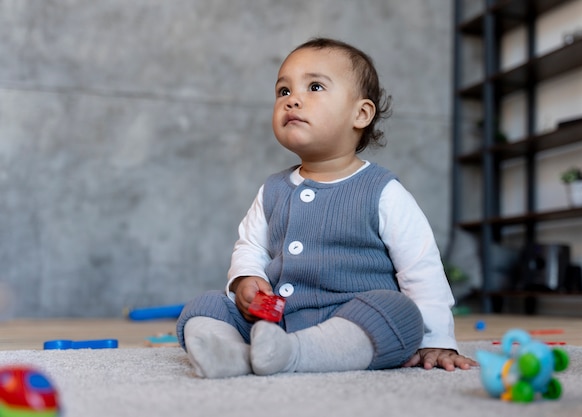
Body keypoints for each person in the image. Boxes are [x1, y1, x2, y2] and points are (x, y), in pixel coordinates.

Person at [176, 37, 477, 378]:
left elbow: (421, 269)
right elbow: (251, 246)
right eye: (283, 92)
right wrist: (248, 278)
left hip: (353, 321)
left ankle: (297, 354)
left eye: (314, 86)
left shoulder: (383, 191)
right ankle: (231, 354)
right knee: (206, 306)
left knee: (400, 313)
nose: (293, 101)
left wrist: (438, 339)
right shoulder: (272, 190)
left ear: (360, 114)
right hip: (276, 318)